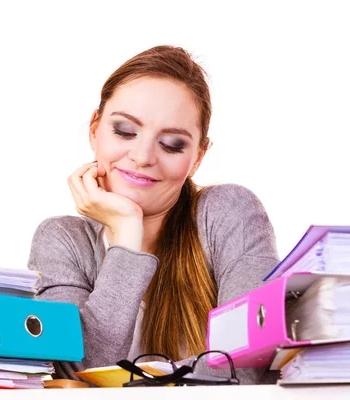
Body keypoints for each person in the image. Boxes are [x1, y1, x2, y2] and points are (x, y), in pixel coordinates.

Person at [27, 45, 280, 385]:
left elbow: (243, 364)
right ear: (94, 129)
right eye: (125, 132)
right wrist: (127, 234)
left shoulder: (228, 213)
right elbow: (73, 370)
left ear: (198, 157)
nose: (143, 156)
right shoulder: (63, 239)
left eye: (172, 144)